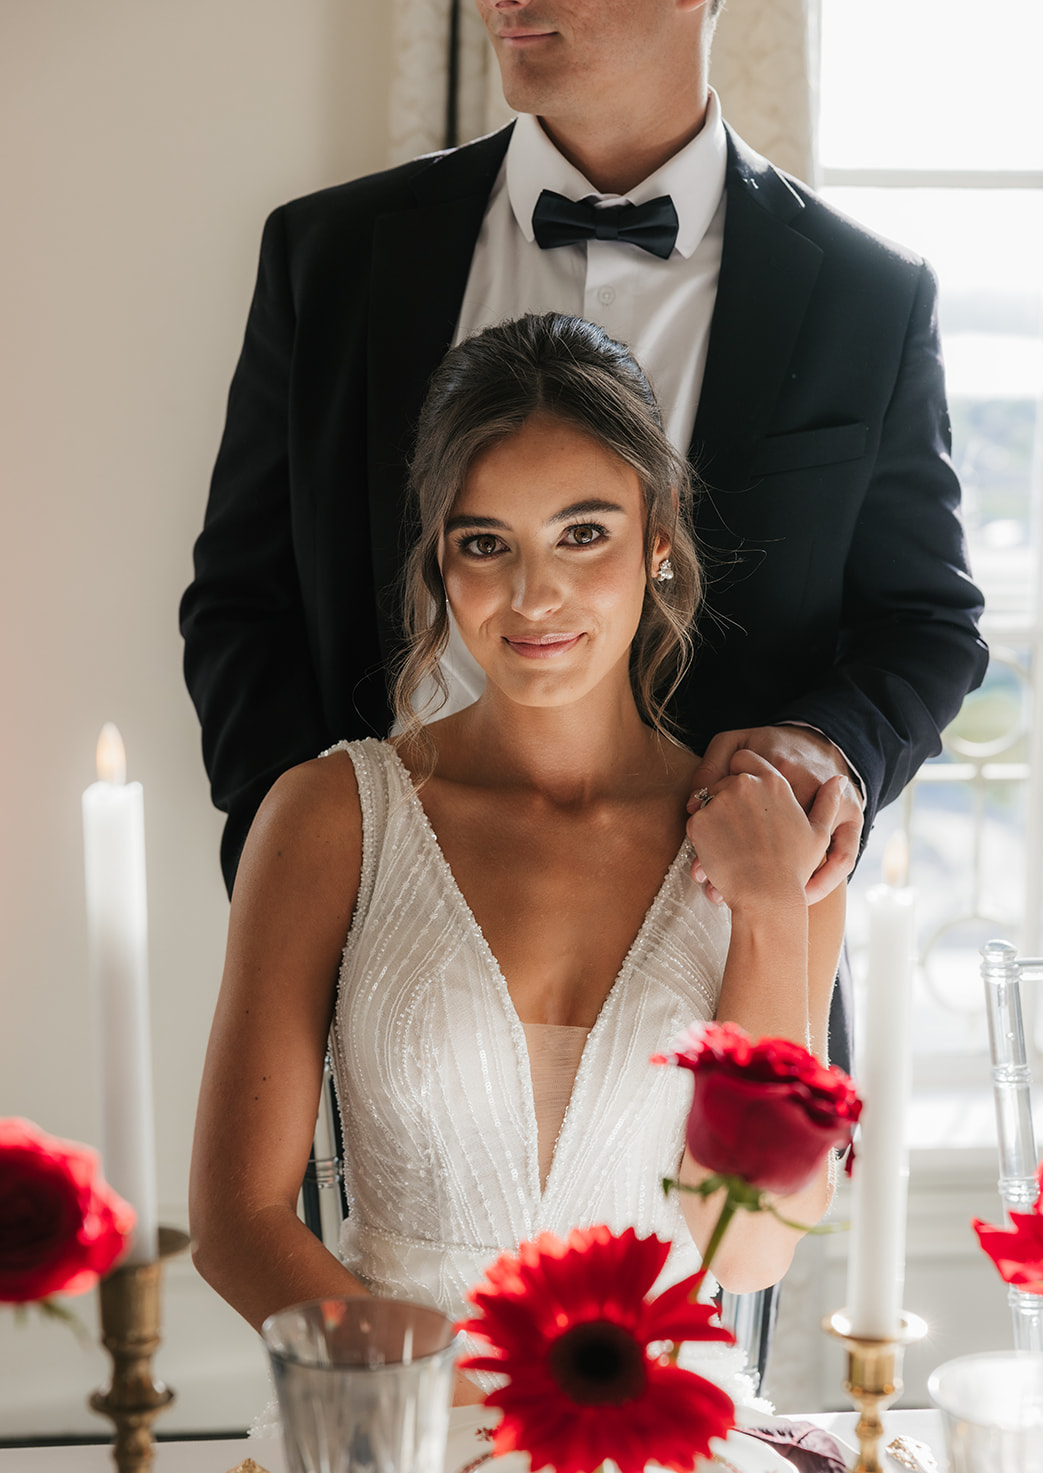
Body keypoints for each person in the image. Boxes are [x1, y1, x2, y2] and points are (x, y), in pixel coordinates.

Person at [179, 0, 987, 983]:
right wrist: (298, 887)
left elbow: (923, 621)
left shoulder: (868, 299)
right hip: (372, 966)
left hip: (723, 968)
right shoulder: (331, 254)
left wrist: (827, 744)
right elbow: (243, 603)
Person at [188, 315, 846, 1402]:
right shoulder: (328, 817)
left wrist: (771, 908)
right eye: (484, 543)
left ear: (659, 532)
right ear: (438, 558)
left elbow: (747, 1248)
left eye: (582, 534)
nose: (534, 596)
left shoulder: (775, 843)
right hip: (391, 1441)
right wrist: (450, 1408)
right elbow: (237, 1224)